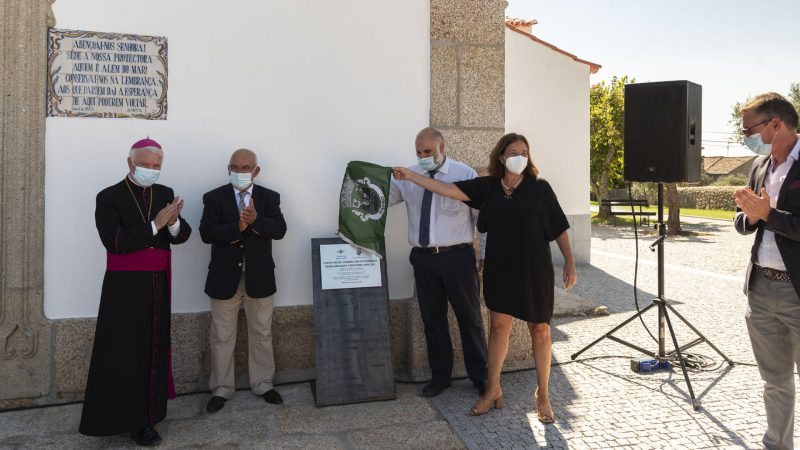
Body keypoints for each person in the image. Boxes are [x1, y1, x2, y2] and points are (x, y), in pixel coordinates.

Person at [393, 132, 577, 423]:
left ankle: (542, 394)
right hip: (500, 268)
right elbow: (446, 189)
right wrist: (410, 176)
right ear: (501, 156)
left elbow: (558, 227)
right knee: (497, 330)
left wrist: (569, 261)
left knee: (540, 331)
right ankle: (492, 389)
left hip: (534, 270)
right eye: (514, 152)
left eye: (524, 152)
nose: (520, 157)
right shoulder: (488, 187)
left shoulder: (539, 189)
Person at [79, 138, 192, 446]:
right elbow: (114, 242)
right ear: (130, 163)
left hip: (157, 285)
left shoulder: (165, 193)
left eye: (157, 166)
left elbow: (182, 236)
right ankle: (120, 417)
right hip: (124, 290)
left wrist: (173, 224)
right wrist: (156, 224)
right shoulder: (109, 197)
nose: (151, 171)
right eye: (145, 165)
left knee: (152, 349)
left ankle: (146, 420)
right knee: (125, 352)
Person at [389, 127, 488, 397]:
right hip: (424, 259)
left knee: (470, 319)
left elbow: (483, 218)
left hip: (458, 257)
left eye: (428, 152)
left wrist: (485, 255)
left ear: (442, 147)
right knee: (433, 320)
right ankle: (440, 377)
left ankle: (481, 378)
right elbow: (383, 200)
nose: (422, 157)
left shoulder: (463, 174)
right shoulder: (408, 175)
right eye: (418, 152)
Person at [734, 92, 800, 450]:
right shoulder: (759, 166)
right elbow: (744, 221)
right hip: (761, 291)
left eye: (750, 128)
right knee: (774, 382)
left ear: (776, 124)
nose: (746, 135)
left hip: (797, 292)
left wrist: (768, 215)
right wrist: (749, 216)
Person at [200, 148, 287, 413]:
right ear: (229, 168)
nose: (240, 172)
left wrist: (257, 220)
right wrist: (235, 229)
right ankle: (222, 389)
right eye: (235, 167)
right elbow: (206, 233)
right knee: (222, 336)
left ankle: (262, 384)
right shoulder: (214, 198)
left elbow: (280, 230)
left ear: (256, 171)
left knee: (261, 333)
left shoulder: (269, 198)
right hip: (224, 278)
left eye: (245, 167)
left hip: (259, 278)